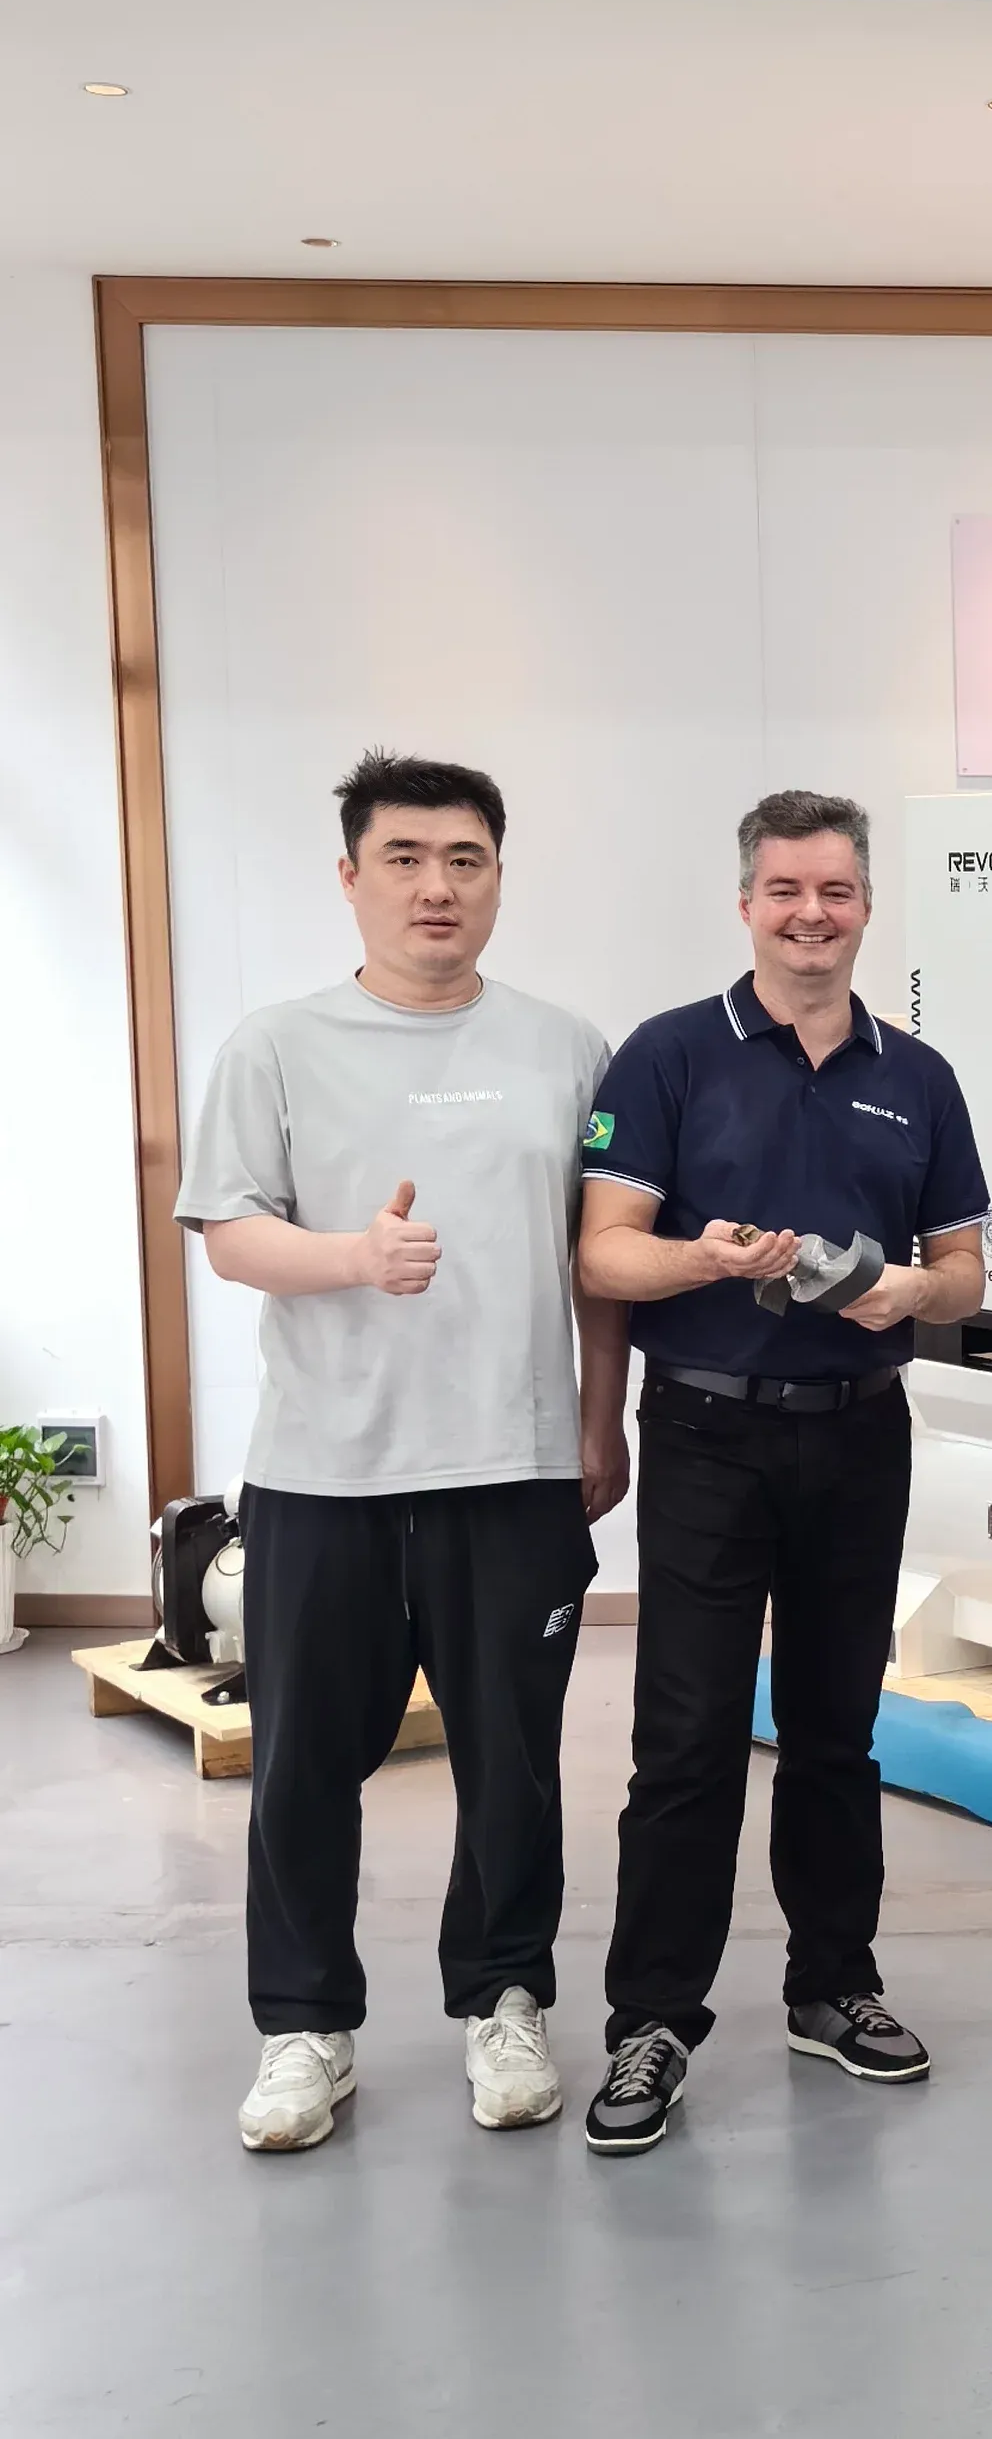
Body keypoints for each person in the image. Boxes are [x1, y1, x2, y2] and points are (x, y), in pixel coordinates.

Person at [179, 753, 627, 2153]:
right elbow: (229, 1231)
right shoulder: (275, 1043)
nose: (437, 886)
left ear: (497, 876)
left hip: (514, 1465)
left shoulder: (568, 1047)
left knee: (516, 1764)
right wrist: (354, 1258)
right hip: (326, 1472)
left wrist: (600, 1419)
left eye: (465, 859)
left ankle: (505, 1998)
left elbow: (601, 1257)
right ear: (351, 875)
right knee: (302, 1766)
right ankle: (304, 2026)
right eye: (405, 857)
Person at [574, 790, 989, 2154]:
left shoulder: (916, 1075)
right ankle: (653, 2018)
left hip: (861, 1432)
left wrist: (911, 1292)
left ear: (866, 905)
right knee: (686, 1737)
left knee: (834, 1729)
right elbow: (603, 1252)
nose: (813, 915)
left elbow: (964, 1271)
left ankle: (833, 1984)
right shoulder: (669, 1054)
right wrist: (704, 1257)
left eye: (836, 891)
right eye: (787, 890)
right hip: (707, 1433)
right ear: (746, 902)